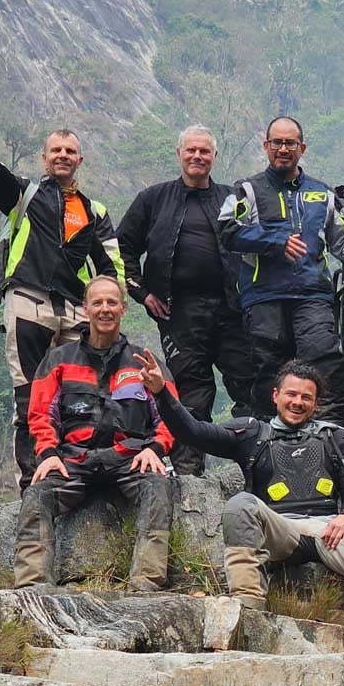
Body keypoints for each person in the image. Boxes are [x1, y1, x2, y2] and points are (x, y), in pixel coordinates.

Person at [139, 356, 344, 650]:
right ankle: (248, 615)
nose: (297, 402)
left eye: (306, 397)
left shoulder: (336, 439)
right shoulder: (252, 433)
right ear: (276, 395)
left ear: (316, 403)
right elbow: (193, 431)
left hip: (328, 530)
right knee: (240, 504)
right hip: (280, 528)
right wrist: (161, 394)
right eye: (291, 394)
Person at [0, 74, 122, 490]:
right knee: (30, 393)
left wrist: (110, 305)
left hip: (74, 309)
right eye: (56, 150)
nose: (63, 156)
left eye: (70, 151)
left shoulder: (93, 209)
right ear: (44, 157)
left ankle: (75, 471)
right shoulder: (24, 195)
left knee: (80, 392)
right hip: (27, 300)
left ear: (80, 160)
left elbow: (110, 266)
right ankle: (32, 481)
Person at [12, 276, 174, 591]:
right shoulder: (58, 359)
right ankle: (32, 587)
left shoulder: (145, 362)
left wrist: (155, 448)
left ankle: (146, 583)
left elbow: (170, 415)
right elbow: (40, 413)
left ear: (124, 308)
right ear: (85, 308)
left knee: (157, 487)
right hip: (74, 460)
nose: (104, 309)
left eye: (112, 302)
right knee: (37, 493)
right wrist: (47, 453)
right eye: (97, 302)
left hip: (130, 458)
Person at [117, 125, 253, 475]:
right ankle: (190, 476)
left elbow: (256, 242)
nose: (197, 156)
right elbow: (121, 248)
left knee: (248, 384)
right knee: (192, 394)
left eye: (204, 151)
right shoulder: (154, 199)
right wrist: (142, 292)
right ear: (179, 154)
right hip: (179, 313)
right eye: (191, 150)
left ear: (214, 157)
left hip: (232, 310)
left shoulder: (231, 198)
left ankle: (256, 464)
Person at [218, 116, 344, 423]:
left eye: (290, 143)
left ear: (301, 148)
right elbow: (226, 231)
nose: (283, 148)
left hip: (313, 295)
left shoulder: (323, 194)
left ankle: (329, 435)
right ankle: (268, 444)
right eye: (276, 142)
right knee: (267, 370)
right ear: (266, 146)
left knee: (326, 362)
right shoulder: (246, 191)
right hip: (263, 296)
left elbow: (343, 244)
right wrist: (275, 241)